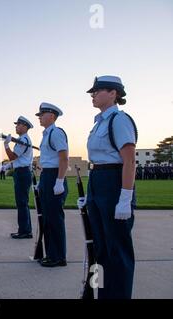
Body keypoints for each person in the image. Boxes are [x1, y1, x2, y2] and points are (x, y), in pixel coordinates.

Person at [78, 76, 137, 299]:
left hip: (114, 183)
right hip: (99, 181)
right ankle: (99, 292)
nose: (93, 95)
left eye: (98, 90)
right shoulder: (99, 122)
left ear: (113, 93)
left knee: (117, 250)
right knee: (99, 248)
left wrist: (125, 197)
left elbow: (129, 160)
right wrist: (91, 194)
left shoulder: (119, 120)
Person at [36, 102, 69, 267]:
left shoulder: (56, 133)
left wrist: (60, 181)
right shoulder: (46, 134)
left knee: (55, 219)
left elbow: (64, 158)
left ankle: (58, 257)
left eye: (42, 114)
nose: (40, 117)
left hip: (54, 176)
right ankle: (51, 254)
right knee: (48, 218)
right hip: (47, 176)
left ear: (52, 116)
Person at [4, 116, 34, 239]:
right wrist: (9, 165)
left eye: (19, 125)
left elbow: (13, 156)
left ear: (25, 126)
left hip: (22, 173)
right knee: (23, 203)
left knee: (22, 203)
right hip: (22, 172)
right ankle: (25, 229)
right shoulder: (22, 139)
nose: (16, 127)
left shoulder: (23, 140)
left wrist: (6, 145)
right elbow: (17, 160)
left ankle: (24, 231)